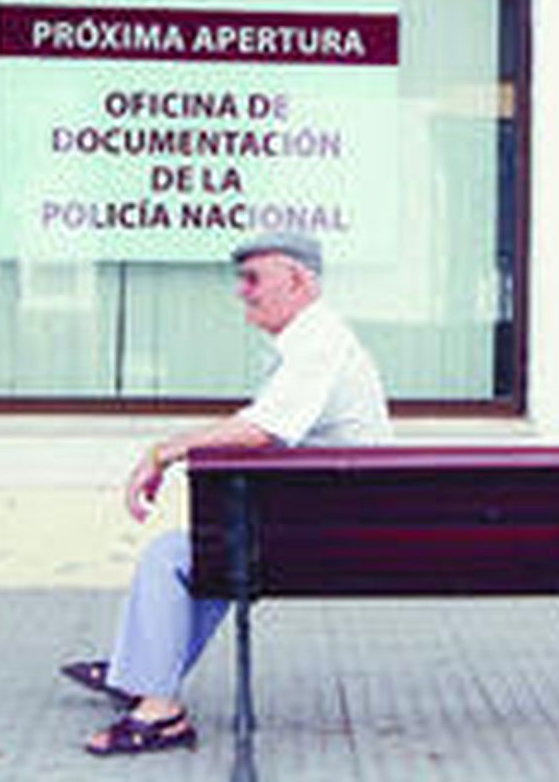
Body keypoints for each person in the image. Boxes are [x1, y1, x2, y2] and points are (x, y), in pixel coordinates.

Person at [60, 230, 392, 755]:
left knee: (172, 557)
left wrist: (164, 451)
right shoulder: (315, 339)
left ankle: (158, 709)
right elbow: (263, 428)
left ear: (298, 280)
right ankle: (139, 677)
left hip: (332, 538)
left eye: (253, 278)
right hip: (332, 521)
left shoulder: (318, 343)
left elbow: (264, 429)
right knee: (208, 551)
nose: (242, 291)